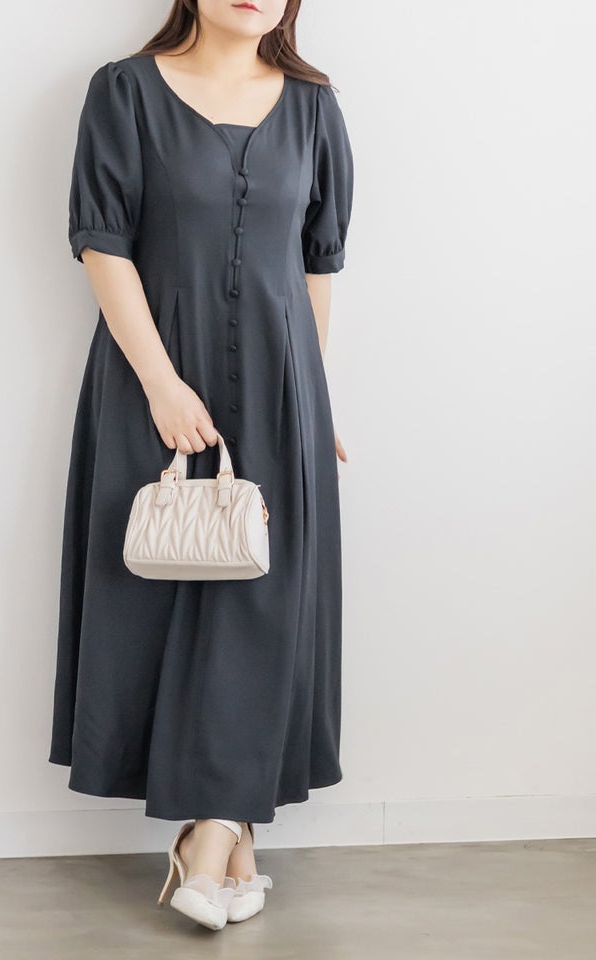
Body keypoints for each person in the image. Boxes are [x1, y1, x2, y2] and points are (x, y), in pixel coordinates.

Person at [49, 0, 354, 931]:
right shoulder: (124, 92)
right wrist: (160, 384)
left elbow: (318, 265)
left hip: (281, 387)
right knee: (161, 596)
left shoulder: (314, 107)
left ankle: (211, 835)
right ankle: (232, 838)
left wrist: (314, 397)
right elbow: (103, 244)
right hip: (156, 384)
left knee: (264, 605)